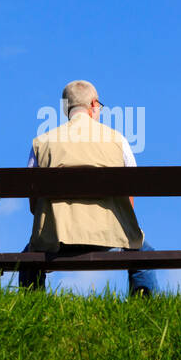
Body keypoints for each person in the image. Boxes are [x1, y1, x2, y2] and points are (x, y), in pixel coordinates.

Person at [18, 80, 158, 297]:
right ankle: (145, 302)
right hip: (110, 236)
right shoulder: (117, 140)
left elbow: (34, 204)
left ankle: (31, 303)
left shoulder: (41, 142)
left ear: (66, 108)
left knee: (28, 255)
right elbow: (129, 201)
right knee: (144, 250)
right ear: (94, 104)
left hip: (56, 238)